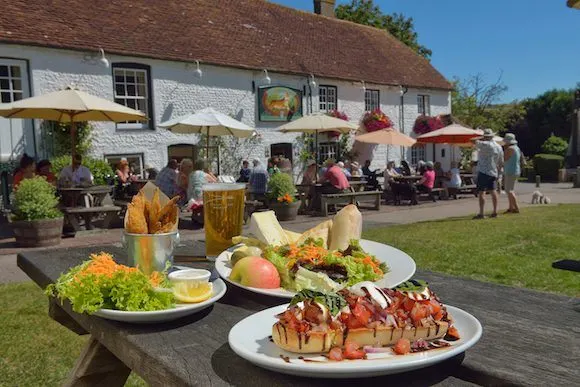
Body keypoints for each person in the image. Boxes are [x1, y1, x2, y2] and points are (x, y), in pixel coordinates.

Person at [472, 128, 504, 219]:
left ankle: (481, 213)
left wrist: (479, 136)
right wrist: (499, 172)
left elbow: (473, 140)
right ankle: (495, 211)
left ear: (485, 137)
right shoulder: (498, 147)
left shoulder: (484, 144)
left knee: (482, 192)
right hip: (493, 171)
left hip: (483, 171)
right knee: (493, 191)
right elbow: (501, 162)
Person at [503, 133, 523, 214]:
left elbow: (504, 158)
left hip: (510, 171)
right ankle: (511, 207)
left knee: (509, 190)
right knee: (510, 189)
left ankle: (516, 207)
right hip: (515, 170)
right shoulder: (517, 148)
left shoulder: (510, 149)